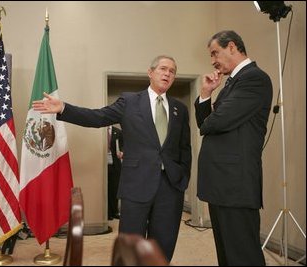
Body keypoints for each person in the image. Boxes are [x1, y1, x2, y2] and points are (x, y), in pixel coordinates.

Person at [33, 55, 191, 262]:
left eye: (172, 71)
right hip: (136, 185)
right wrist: (64, 108)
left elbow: (184, 148)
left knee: (163, 245)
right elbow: (97, 117)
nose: (167, 74)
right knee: (129, 246)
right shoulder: (130, 101)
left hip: (170, 187)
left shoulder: (180, 109)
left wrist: (183, 178)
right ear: (150, 73)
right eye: (163, 69)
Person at [194, 30, 272, 266]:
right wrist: (206, 95)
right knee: (227, 257)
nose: (213, 60)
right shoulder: (232, 84)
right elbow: (206, 123)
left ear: (232, 47)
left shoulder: (254, 79)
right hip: (222, 184)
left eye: (215, 53)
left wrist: (211, 119)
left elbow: (215, 123)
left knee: (243, 256)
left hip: (235, 185)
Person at [107, 125, 123, 220]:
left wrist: (122, 152)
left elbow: (123, 146)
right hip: (102, 164)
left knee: (114, 188)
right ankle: (107, 213)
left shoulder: (118, 131)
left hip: (115, 164)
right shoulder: (99, 131)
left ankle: (114, 211)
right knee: (105, 189)